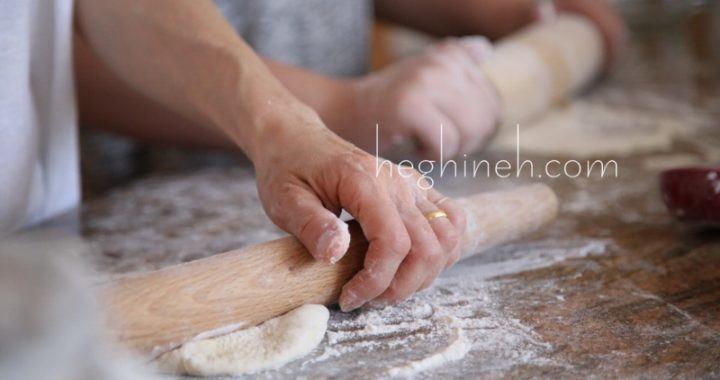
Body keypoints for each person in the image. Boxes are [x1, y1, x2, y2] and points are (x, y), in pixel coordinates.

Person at [1, 0, 624, 312]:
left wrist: (524, 17)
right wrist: (327, 110)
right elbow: (67, 46)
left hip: (43, 261)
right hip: (118, 209)